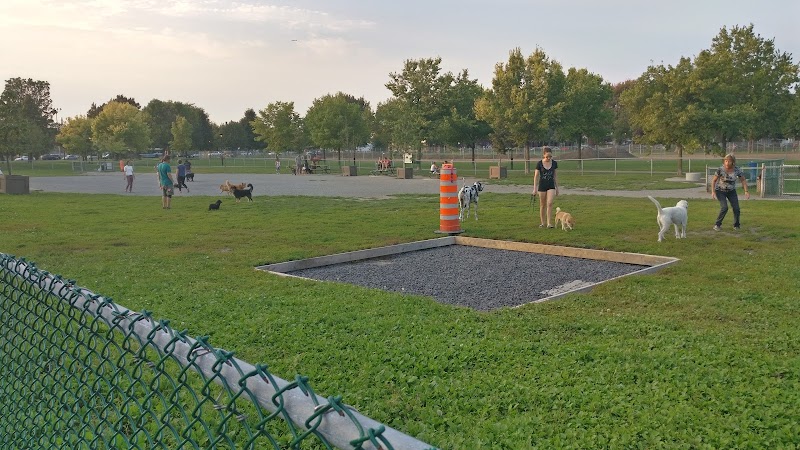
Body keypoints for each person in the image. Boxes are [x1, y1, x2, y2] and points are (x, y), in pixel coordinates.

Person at [711, 153, 749, 231]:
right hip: (720, 191)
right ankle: (717, 225)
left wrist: (746, 191)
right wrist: (713, 191)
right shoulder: (720, 169)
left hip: (731, 191)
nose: (727, 163)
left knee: (736, 208)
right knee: (724, 207)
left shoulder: (737, 170)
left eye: (729, 161)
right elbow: (714, 181)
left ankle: (736, 225)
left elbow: (743, 180)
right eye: (726, 161)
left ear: (733, 162)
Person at [532, 147, 559, 228]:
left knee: (550, 203)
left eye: (550, 156)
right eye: (547, 156)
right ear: (543, 155)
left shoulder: (554, 163)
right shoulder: (539, 164)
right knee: (542, 205)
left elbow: (555, 176)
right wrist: (534, 189)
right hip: (542, 185)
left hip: (551, 185)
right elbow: (536, 177)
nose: (549, 158)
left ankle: (549, 223)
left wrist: (557, 188)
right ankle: (542, 223)